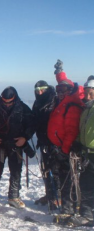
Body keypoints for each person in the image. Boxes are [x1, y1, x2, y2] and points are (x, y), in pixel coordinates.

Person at [0, 86, 35, 209]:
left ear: (14, 98)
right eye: (4, 101)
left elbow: (32, 125)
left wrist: (25, 137)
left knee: (16, 171)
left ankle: (14, 196)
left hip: (15, 145)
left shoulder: (22, 108)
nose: (6, 104)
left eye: (9, 101)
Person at [47, 60, 84, 222]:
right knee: (62, 177)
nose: (60, 92)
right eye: (58, 89)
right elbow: (64, 82)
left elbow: (71, 131)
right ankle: (66, 205)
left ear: (70, 90)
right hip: (59, 147)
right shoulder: (65, 101)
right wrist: (59, 72)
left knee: (68, 178)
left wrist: (64, 150)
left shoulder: (72, 106)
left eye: (63, 89)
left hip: (66, 150)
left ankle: (69, 208)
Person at [66, 79, 94, 226]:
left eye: (91, 94)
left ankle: (87, 214)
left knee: (88, 184)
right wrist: (77, 142)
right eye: (86, 93)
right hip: (87, 153)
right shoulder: (86, 110)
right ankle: (87, 213)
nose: (87, 97)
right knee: (86, 184)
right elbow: (82, 130)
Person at [32, 80, 61, 209]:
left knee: (56, 170)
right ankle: (50, 195)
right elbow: (34, 120)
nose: (40, 92)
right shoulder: (37, 103)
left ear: (47, 89)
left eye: (42, 89)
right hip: (43, 141)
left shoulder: (55, 101)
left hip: (56, 143)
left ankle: (58, 197)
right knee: (46, 170)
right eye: (37, 90)